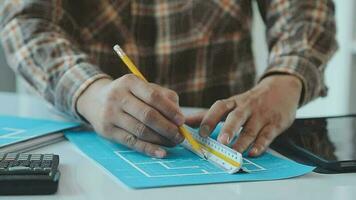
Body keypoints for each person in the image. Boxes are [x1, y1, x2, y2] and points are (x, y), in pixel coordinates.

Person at [0, 0, 337, 158]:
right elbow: (26, 21)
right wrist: (89, 92)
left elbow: (304, 9)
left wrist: (286, 78)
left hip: (231, 139)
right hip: (88, 132)